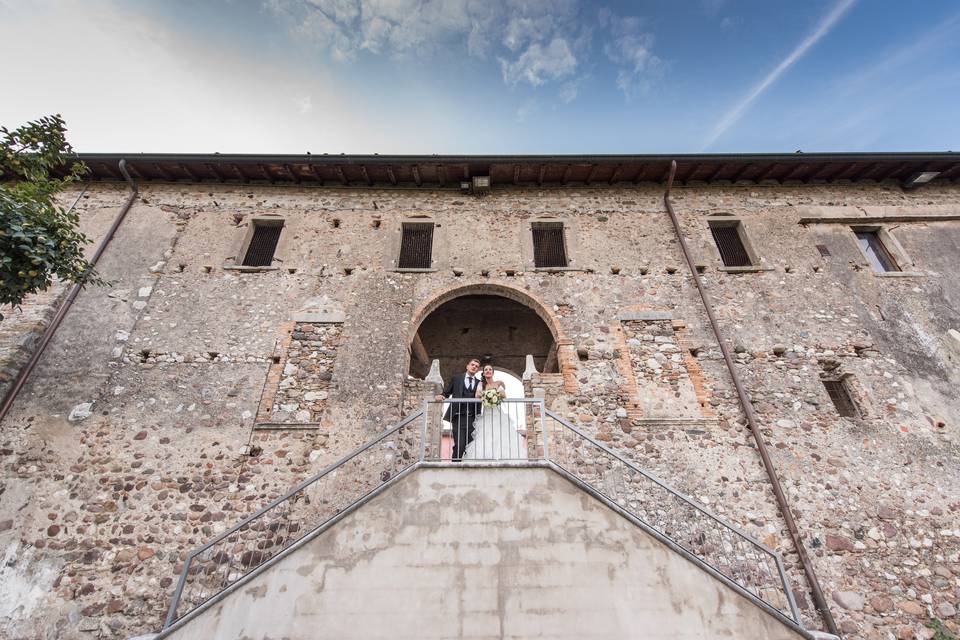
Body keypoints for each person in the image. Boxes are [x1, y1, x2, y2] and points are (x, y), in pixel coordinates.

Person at [462, 364, 527, 460]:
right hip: (487, 413)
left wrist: (494, 394)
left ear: (492, 372)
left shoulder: (498, 383)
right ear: (483, 373)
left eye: (490, 369)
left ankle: (502, 457)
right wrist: (487, 394)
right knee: (486, 435)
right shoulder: (481, 384)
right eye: (486, 370)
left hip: (497, 413)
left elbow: (503, 395)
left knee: (500, 434)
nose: (488, 371)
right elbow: (477, 395)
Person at [435, 358, 481, 460]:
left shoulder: (479, 383)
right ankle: (455, 466)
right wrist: (441, 396)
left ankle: (468, 469)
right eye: (472, 365)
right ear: (467, 366)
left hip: (473, 418)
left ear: (477, 370)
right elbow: (447, 392)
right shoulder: (457, 378)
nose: (474, 367)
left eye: (476, 366)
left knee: (471, 445)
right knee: (459, 444)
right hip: (458, 416)